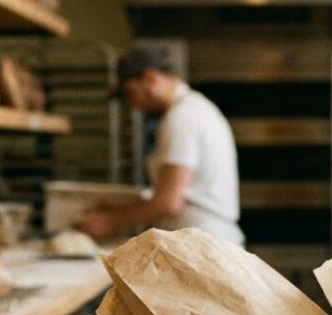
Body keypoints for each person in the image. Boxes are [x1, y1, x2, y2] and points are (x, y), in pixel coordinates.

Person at [77, 47, 243, 246]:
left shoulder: (182, 117)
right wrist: (120, 210)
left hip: (203, 245)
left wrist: (109, 221)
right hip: (203, 241)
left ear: (150, 77)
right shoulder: (193, 109)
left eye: (131, 93)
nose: (133, 105)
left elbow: (169, 202)